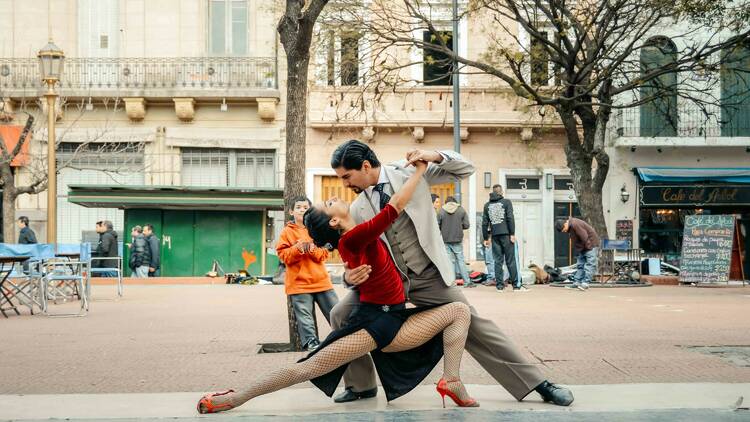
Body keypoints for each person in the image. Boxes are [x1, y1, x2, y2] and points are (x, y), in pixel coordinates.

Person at [197, 159, 476, 414]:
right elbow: (397, 205)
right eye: (328, 204)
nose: (332, 197)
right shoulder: (354, 238)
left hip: (393, 320)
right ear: (334, 220)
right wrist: (419, 169)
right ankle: (234, 398)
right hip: (376, 325)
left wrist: (349, 275)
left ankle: (451, 379)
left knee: (459, 312)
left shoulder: (352, 238)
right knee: (308, 367)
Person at [328, 140, 573, 406]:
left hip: (429, 276)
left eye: (347, 176)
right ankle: (361, 385)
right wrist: (349, 277)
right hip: (389, 283)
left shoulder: (410, 171)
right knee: (340, 314)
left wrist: (434, 155)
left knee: (474, 324)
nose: (345, 184)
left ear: (365, 166)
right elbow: (355, 254)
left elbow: (465, 168)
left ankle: (537, 384)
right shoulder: (356, 209)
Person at [277, 196, 339, 352]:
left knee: (337, 311)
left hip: (321, 281)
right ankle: (311, 343)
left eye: (305, 207)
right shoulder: (286, 232)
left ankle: (344, 334)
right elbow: (284, 256)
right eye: (298, 207)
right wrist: (297, 249)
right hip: (298, 284)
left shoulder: (317, 228)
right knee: (304, 317)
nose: (302, 210)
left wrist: (311, 249)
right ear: (291, 211)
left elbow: (324, 254)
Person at [482, 185, 527, 292]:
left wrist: (485, 238)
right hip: (506, 235)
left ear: (493, 192)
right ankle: (516, 286)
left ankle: (500, 287)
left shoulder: (487, 205)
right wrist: (512, 233)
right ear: (501, 192)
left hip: (495, 236)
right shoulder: (506, 202)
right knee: (511, 260)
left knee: (497, 261)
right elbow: (510, 218)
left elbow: (484, 223)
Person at [438, 196, 475, 288]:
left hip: (445, 239)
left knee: (450, 262)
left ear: (446, 202)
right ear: (455, 202)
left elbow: (437, 225)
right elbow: (467, 225)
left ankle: (452, 283)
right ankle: (467, 282)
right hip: (457, 239)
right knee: (461, 261)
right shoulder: (461, 210)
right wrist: (458, 226)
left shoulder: (441, 211)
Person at [555, 218, 600, 291]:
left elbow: (584, 237)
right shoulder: (570, 227)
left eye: (564, 229)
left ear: (565, 224)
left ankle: (585, 283)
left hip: (590, 245)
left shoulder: (575, 224)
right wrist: (580, 250)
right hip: (583, 247)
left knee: (590, 264)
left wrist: (587, 248)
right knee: (580, 265)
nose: (564, 231)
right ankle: (577, 282)